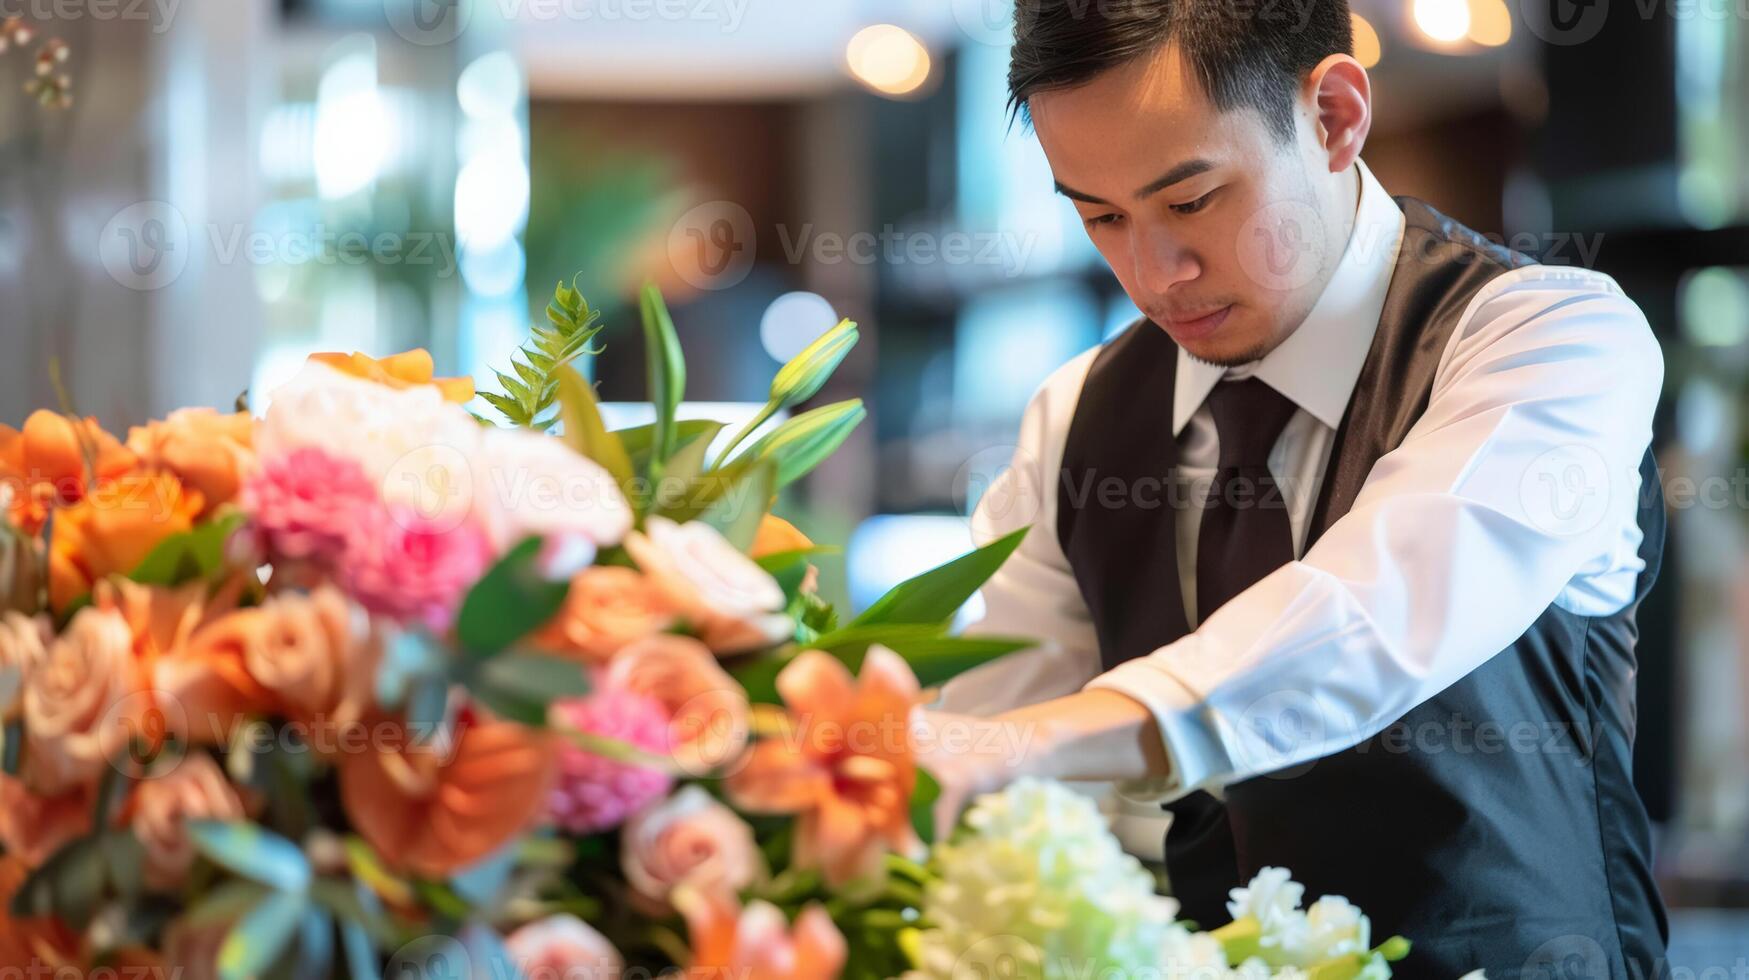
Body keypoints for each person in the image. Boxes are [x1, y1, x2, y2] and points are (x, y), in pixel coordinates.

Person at [913, 2, 1669, 977]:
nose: (1153, 273)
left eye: (1191, 201)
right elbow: (999, 785)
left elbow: (1384, 603)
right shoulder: (1076, 415)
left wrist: (1019, 740)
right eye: (1099, 215)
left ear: (1335, 116)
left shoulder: (1547, 341)